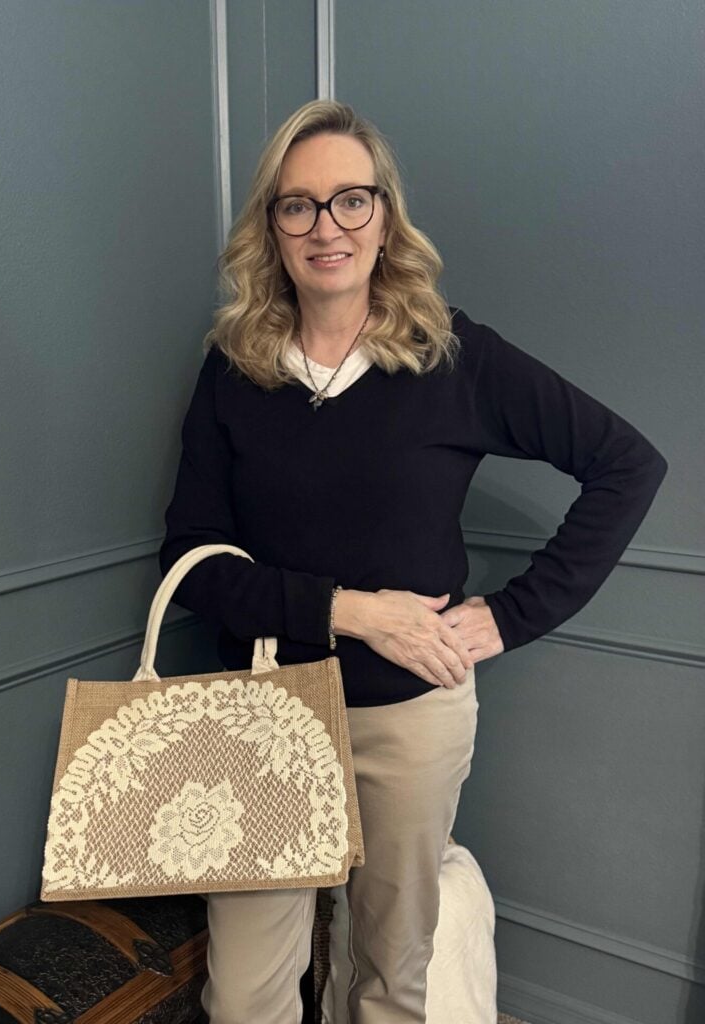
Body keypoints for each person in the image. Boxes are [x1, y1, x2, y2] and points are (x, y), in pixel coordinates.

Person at [159, 99, 667, 1024]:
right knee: (243, 997)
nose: (327, 227)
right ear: (270, 227)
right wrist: (348, 610)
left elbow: (627, 465)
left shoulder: (451, 357)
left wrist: (508, 617)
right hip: (262, 715)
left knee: (390, 980)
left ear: (385, 216)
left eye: (351, 200)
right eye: (298, 205)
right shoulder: (233, 369)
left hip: (411, 722)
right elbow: (191, 564)